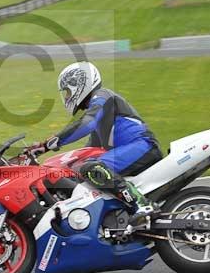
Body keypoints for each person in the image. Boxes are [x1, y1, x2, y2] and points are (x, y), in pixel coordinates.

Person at [28, 61, 163, 223]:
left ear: (80, 84)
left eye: (68, 92)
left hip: (142, 145)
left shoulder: (102, 96)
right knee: (80, 168)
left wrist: (47, 144)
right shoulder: (99, 115)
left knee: (91, 167)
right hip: (131, 150)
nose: (67, 97)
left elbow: (87, 123)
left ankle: (141, 205)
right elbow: (89, 149)